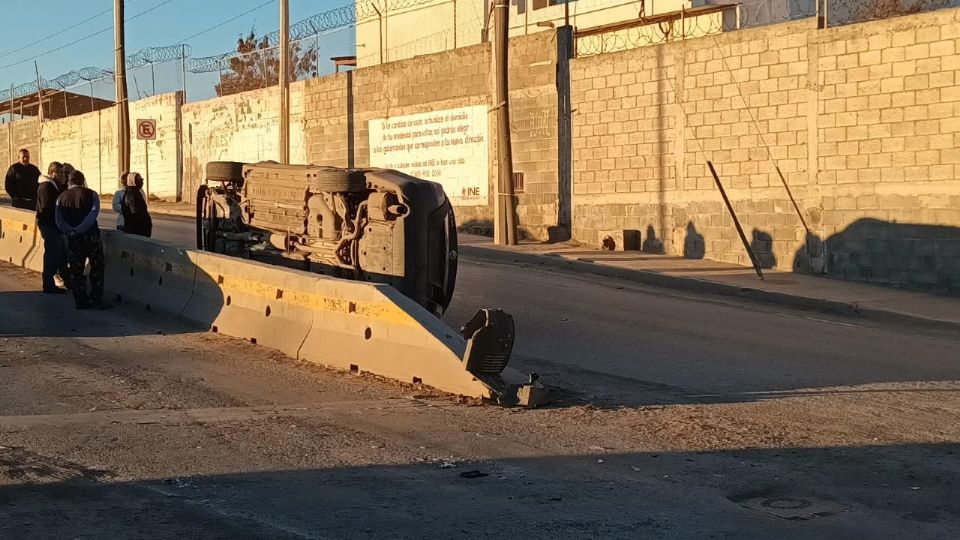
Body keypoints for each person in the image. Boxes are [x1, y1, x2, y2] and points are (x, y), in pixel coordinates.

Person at [56, 170, 107, 310]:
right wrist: (81, 228)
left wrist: (70, 231)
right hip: (91, 236)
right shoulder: (92, 194)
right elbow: (93, 214)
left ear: (69, 181)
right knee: (97, 267)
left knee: (76, 271)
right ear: (82, 180)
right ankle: (96, 298)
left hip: (73, 238)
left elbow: (58, 219)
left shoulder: (61, 197)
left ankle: (80, 300)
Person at [36, 161, 71, 294]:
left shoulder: (54, 186)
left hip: (54, 226)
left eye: (63, 173)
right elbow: (48, 209)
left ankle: (65, 279)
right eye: (60, 172)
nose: (62, 175)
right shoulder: (46, 187)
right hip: (49, 225)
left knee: (60, 253)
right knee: (52, 254)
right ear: (52, 173)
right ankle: (48, 284)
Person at [120, 172, 152, 237]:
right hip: (136, 231)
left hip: (141, 231)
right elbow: (135, 214)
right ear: (133, 182)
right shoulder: (130, 195)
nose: (142, 181)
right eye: (139, 180)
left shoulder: (136, 193)